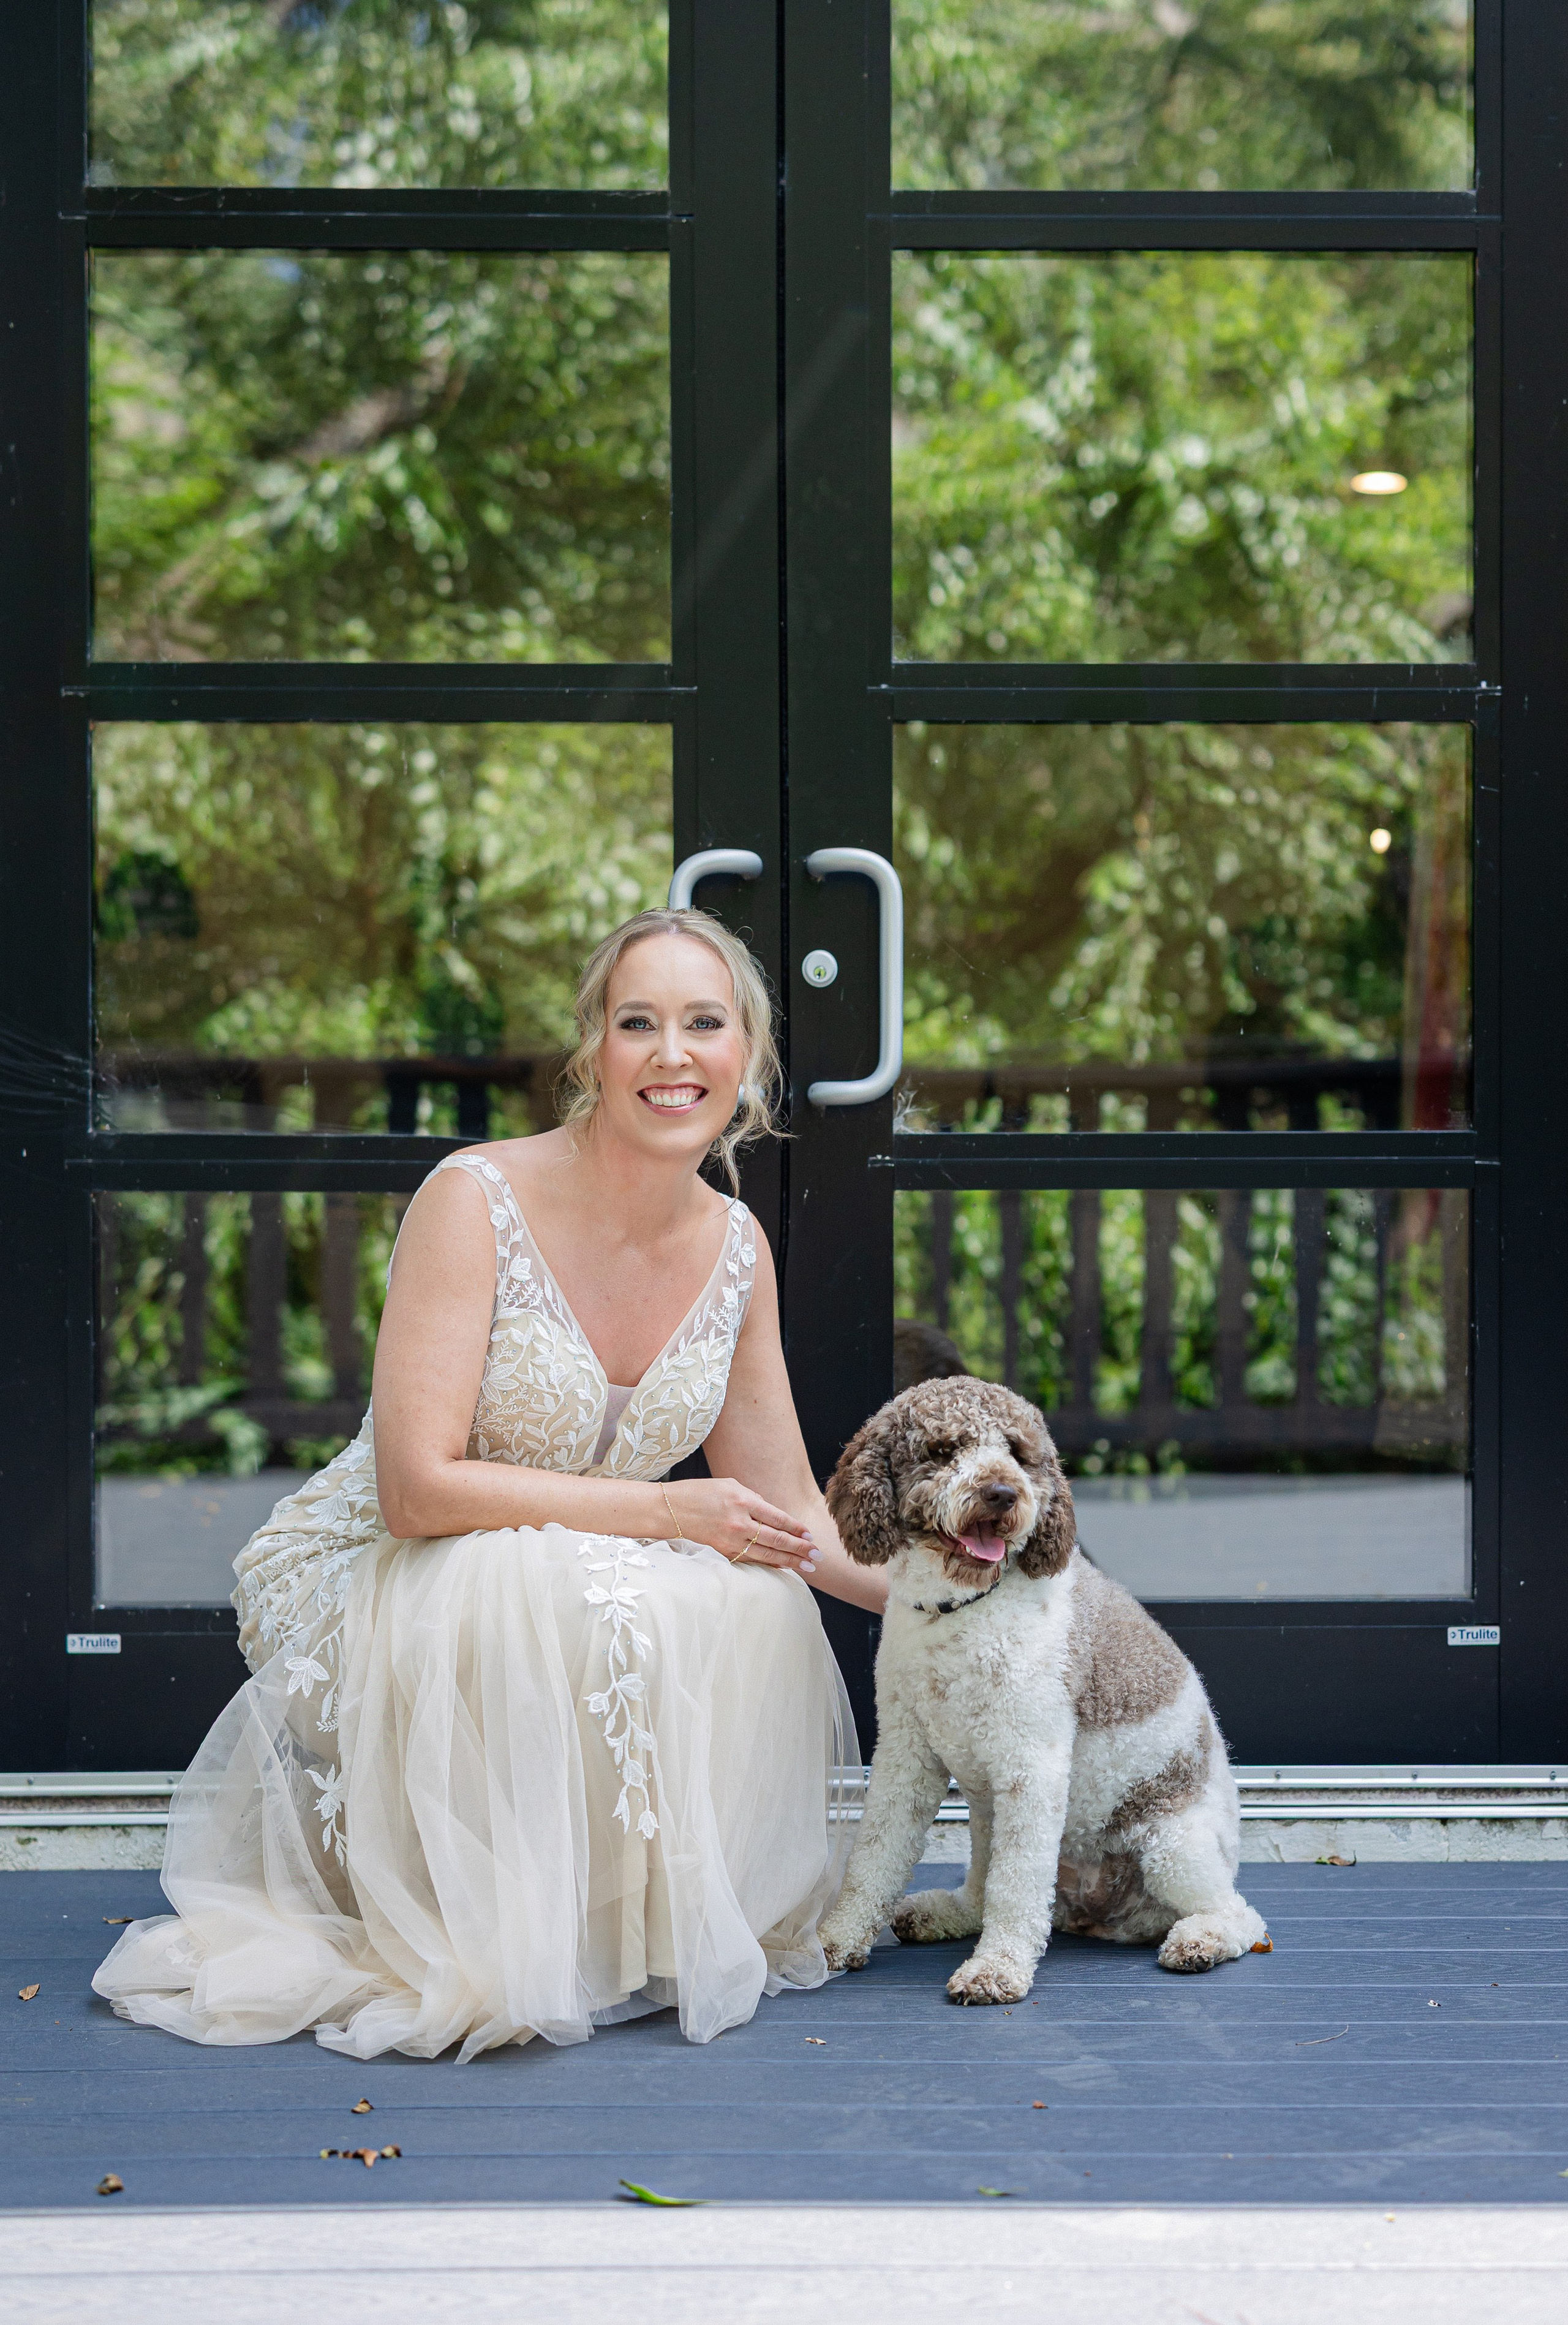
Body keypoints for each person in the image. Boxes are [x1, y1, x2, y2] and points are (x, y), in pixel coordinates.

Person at [95, 909, 887, 2061]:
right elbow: (418, 1489)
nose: (674, 1055)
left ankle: (600, 1923)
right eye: (639, 1024)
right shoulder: (475, 1199)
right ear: (593, 1051)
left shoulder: (738, 1249)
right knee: (585, 1583)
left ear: (749, 1058)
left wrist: (968, 1611)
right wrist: (671, 1513)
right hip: (378, 1564)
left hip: (571, 1565)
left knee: (754, 1595)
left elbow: (791, 1517)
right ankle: (493, 1928)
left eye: (705, 1024)